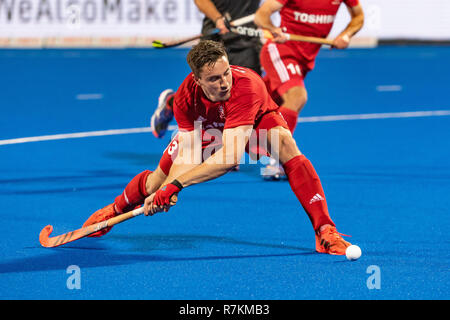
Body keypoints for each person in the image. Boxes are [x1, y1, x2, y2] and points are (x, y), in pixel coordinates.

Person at [83, 40, 353, 255]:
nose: (224, 82)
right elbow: (188, 152)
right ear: (197, 80)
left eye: (225, 73)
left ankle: (325, 229)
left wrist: (176, 186)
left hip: (253, 120)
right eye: (214, 79)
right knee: (156, 182)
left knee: (285, 144)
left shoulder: (245, 86)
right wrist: (170, 186)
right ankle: (115, 209)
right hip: (208, 127)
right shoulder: (185, 99)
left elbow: (229, 158)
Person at [255, 0, 364, 178]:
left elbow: (358, 15)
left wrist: (346, 35)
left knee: (260, 102)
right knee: (297, 97)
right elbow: (262, 14)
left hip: (304, 60)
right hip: (281, 50)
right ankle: (277, 159)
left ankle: (217, 136)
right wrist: (273, 29)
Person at [150, 0, 263, 139]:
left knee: (249, 95)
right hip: (216, 37)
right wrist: (217, 18)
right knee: (206, 99)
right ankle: (172, 103)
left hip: (247, 39)